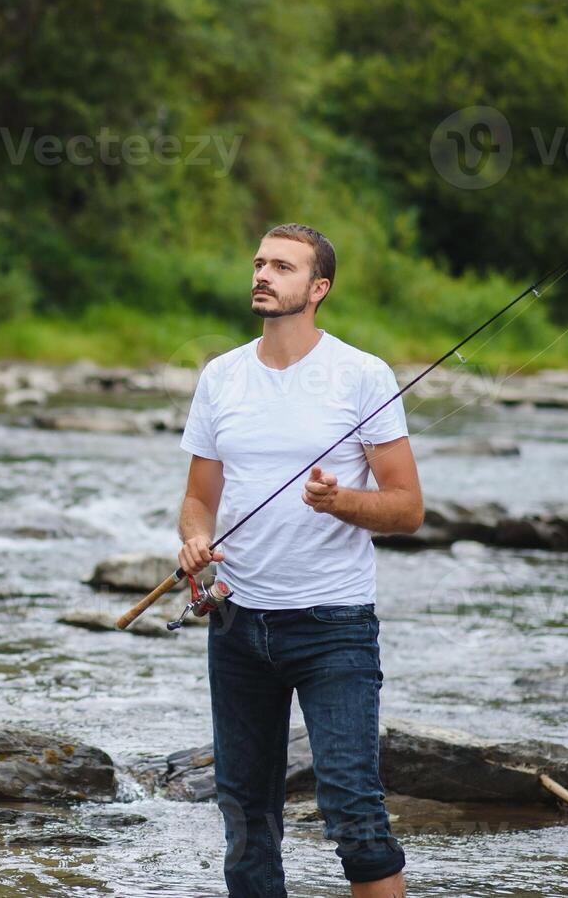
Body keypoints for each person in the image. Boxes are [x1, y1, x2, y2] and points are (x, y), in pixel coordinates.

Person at [176, 223, 423, 898]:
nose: (262, 274)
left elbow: (407, 508)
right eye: (258, 262)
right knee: (247, 822)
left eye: (282, 266)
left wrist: (342, 501)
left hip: (333, 626)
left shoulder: (361, 374)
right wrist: (194, 542)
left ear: (318, 289)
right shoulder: (221, 376)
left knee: (354, 813)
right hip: (235, 626)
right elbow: (198, 500)